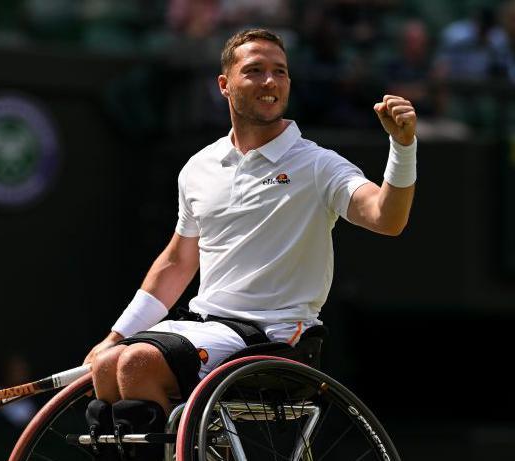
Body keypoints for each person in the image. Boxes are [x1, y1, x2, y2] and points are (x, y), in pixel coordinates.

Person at [82, 28, 417, 460]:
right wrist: (116, 335)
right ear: (225, 85)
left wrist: (403, 145)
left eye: (279, 72)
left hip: (276, 338)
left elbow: (388, 218)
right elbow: (176, 263)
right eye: (254, 71)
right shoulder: (199, 168)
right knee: (109, 366)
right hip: (207, 328)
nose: (270, 82)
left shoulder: (317, 165)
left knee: (137, 362)